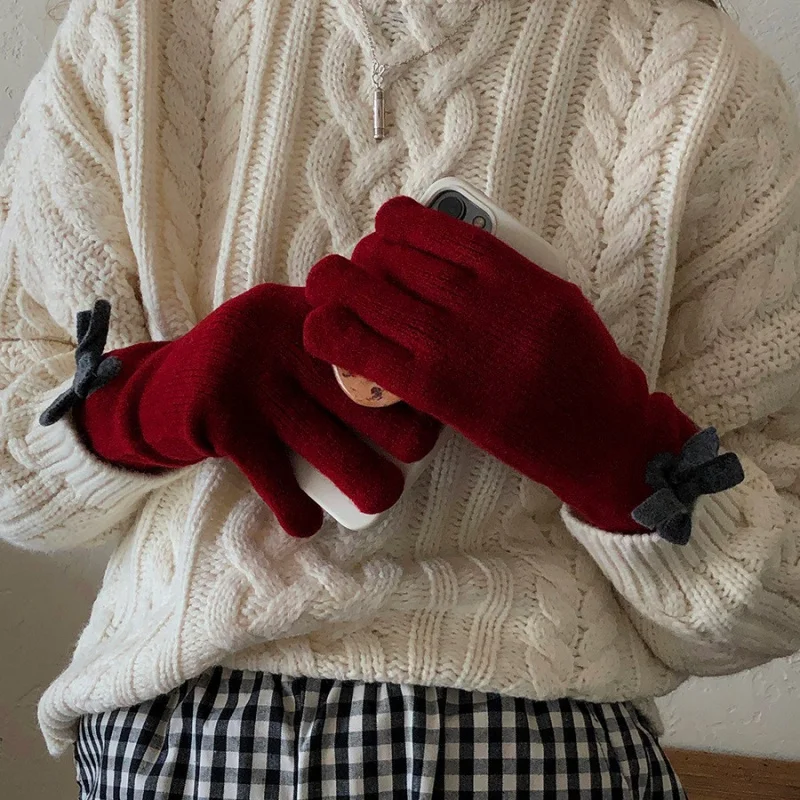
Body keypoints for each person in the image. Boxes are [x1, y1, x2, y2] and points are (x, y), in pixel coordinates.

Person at [1, 0, 798, 796]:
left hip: (535, 750)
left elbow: (776, 596)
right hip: (181, 735)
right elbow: (13, 464)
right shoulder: (137, 33)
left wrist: (617, 448)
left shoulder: (704, 83)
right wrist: (143, 403)